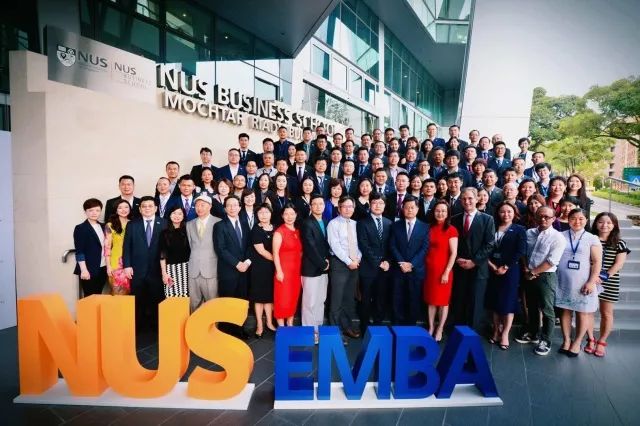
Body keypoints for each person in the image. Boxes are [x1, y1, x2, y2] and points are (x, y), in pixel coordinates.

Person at [517, 206, 566, 356]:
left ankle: (546, 340)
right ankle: (533, 333)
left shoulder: (558, 237)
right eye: (540, 216)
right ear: (535, 217)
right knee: (531, 306)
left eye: (547, 217)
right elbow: (523, 252)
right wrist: (526, 268)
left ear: (553, 219)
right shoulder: (529, 232)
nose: (543, 219)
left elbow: (552, 261)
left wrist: (533, 272)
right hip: (528, 274)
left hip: (545, 276)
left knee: (547, 309)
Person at [555, 208, 602, 357]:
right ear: (568, 220)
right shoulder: (561, 235)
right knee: (565, 310)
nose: (577, 221)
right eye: (573, 218)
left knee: (583, 312)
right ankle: (566, 340)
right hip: (563, 280)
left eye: (581, 219)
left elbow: (597, 262)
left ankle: (577, 342)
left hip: (583, 281)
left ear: (586, 220)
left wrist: (591, 282)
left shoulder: (592, 238)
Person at [585, 212, 631, 357]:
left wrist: (603, 277)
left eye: (609, 222)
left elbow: (619, 264)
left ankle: (602, 341)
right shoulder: (589, 239)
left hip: (609, 282)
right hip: (589, 281)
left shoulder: (619, 243)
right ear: (595, 224)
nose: (604, 225)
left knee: (606, 313)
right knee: (588, 312)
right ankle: (590, 339)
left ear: (614, 225)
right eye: (601, 222)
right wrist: (593, 278)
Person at [450, 188, 495, 331]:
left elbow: (489, 244)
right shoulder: (454, 219)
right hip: (459, 266)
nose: (467, 201)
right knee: (459, 299)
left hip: (478, 268)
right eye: (463, 199)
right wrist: (457, 259)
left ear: (476, 199)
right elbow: (451, 243)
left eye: (470, 198)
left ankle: (472, 333)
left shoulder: (487, 219)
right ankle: (458, 331)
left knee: (476, 302)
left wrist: (474, 261)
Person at [485, 202, 527, 350]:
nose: (506, 214)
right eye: (502, 212)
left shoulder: (519, 229)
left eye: (509, 211)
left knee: (508, 302)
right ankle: (496, 330)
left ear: (514, 213)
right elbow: (486, 247)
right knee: (495, 302)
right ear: (498, 213)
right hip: (492, 269)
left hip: (510, 270)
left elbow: (520, 251)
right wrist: (492, 265)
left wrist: (505, 266)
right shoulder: (492, 227)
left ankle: (505, 334)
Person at [123, 196, 167, 330]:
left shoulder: (164, 223)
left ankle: (157, 328)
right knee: (137, 300)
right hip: (137, 269)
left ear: (156, 208)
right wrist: (127, 265)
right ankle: (137, 329)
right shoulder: (132, 224)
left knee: (157, 298)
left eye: (150, 206)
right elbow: (127, 246)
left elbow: (166, 248)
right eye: (144, 206)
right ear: (140, 209)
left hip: (157, 269)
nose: (147, 208)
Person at [213, 195, 252, 338]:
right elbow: (220, 249)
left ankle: (239, 329)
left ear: (240, 207)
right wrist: (237, 264)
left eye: (235, 205)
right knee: (227, 301)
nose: (232, 208)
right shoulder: (219, 226)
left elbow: (249, 246)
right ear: (224, 208)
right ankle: (225, 333)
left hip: (244, 270)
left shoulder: (244, 224)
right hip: (228, 270)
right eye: (229, 205)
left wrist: (246, 263)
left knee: (241, 302)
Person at [390, 195, 430, 325]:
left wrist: (412, 264)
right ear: (402, 209)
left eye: (412, 207)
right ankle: (397, 326)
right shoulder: (395, 226)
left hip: (416, 270)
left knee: (414, 299)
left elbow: (425, 248)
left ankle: (411, 326)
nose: (409, 210)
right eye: (407, 207)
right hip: (399, 269)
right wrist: (402, 263)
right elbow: (392, 246)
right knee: (397, 298)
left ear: (417, 209)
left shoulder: (425, 227)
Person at [327, 196, 362, 343]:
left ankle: (347, 327)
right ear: (339, 208)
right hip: (340, 264)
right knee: (337, 299)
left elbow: (359, 244)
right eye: (345, 206)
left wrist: (357, 259)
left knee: (349, 299)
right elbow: (334, 245)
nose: (348, 209)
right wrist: (348, 261)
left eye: (350, 206)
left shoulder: (355, 224)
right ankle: (335, 332)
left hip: (354, 264)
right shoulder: (333, 224)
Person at [357, 193, 392, 334]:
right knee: (366, 300)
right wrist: (378, 262)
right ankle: (364, 328)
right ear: (370, 205)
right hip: (368, 268)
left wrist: (388, 261)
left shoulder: (389, 223)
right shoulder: (362, 222)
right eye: (374, 203)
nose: (377, 206)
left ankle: (378, 327)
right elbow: (363, 245)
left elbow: (391, 245)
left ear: (385, 205)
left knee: (381, 299)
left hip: (385, 269)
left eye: (380, 203)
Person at [423, 200, 458, 341]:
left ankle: (440, 328)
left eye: (443, 211)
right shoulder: (428, 228)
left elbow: (454, 253)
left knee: (443, 302)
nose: (440, 213)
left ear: (448, 213)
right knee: (431, 301)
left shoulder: (451, 229)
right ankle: (431, 326)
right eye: (437, 210)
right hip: (429, 270)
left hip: (443, 271)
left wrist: (446, 272)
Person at [301, 195, 331, 344]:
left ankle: (318, 328)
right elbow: (309, 246)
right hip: (311, 268)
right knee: (310, 302)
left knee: (320, 300)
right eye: (315, 204)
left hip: (324, 268)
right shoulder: (306, 223)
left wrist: (326, 263)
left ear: (324, 206)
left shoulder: (325, 221)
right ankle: (309, 332)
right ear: (311, 206)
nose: (318, 206)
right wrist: (323, 263)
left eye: (321, 204)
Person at [185, 194, 221, 311]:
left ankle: (213, 323)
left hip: (211, 269)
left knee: (212, 303)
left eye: (202, 205)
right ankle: (195, 323)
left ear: (210, 206)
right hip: (194, 269)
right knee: (194, 304)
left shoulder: (218, 222)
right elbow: (190, 245)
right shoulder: (189, 224)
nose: (199, 208)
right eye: (196, 205)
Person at [249, 203, 277, 338]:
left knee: (269, 297)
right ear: (257, 215)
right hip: (260, 267)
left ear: (271, 213)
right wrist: (278, 261)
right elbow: (262, 251)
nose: (263, 215)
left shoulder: (276, 228)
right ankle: (259, 325)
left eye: (266, 212)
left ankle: (269, 322)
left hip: (273, 268)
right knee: (259, 297)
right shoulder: (256, 230)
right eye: (260, 212)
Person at [273, 203, 302, 327]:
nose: (289, 217)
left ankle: (290, 324)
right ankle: (281, 327)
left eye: (292, 214)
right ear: (282, 216)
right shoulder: (279, 232)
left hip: (296, 271)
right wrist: (279, 271)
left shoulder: (298, 231)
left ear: (296, 215)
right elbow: (275, 253)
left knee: (293, 298)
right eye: (286, 214)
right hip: (283, 271)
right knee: (282, 299)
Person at [74, 198, 107, 297]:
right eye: (91, 210)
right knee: (90, 297)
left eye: (97, 210)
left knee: (99, 294)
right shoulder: (81, 228)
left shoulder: (104, 226)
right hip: (88, 269)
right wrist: (84, 270)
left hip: (103, 267)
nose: (94, 213)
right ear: (85, 212)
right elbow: (79, 251)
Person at [159, 205, 190, 298]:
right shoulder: (164, 233)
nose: (177, 216)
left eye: (180, 213)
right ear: (169, 215)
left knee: (187, 297)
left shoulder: (189, 230)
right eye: (174, 213)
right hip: (171, 270)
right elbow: (162, 255)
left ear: (183, 216)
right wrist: (164, 273)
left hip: (188, 268)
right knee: (171, 297)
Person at [104, 199, 131, 295]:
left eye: (126, 207)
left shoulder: (134, 224)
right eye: (120, 208)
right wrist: (108, 266)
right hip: (116, 263)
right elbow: (107, 247)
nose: (123, 210)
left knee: (131, 293)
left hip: (132, 262)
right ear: (116, 210)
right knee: (118, 292)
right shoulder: (110, 225)